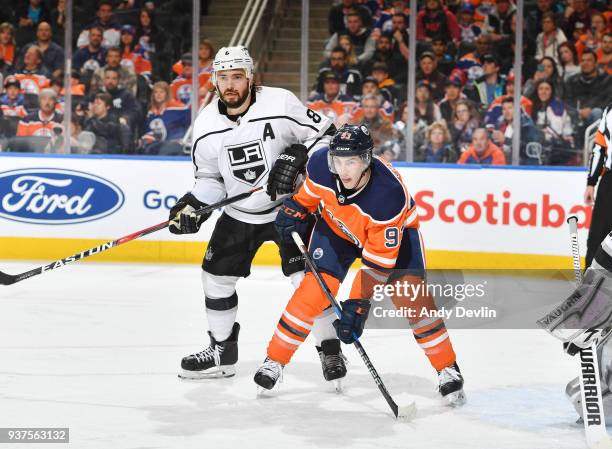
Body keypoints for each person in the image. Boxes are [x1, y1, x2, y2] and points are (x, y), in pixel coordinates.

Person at [253, 124, 466, 406]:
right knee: (311, 293)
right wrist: (296, 208)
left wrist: (357, 305)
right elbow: (308, 198)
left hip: (396, 239)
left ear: (366, 159)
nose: (343, 170)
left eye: (351, 161)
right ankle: (274, 361)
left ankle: (447, 368)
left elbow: (377, 266)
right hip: (338, 232)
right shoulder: (319, 165)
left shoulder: (388, 196)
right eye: (338, 161)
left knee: (412, 301)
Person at [169, 46, 342, 382]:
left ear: (250, 78)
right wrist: (192, 206)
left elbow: (327, 137)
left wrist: (299, 158)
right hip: (239, 213)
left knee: (308, 283)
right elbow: (210, 180)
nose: (230, 84)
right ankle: (222, 352)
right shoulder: (205, 127)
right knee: (215, 279)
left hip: (290, 210)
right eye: (223, 77)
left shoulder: (279, 103)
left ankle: (331, 350)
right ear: (214, 82)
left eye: (237, 76)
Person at [584, 104, 612, 267]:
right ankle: (590, 287)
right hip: (609, 181)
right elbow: (599, 148)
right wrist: (591, 182)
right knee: (598, 236)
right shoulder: (609, 111)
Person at [140, 81, 190, 155]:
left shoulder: (179, 109)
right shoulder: (151, 113)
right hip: (159, 146)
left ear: (167, 94)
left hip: (176, 146)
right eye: (156, 92)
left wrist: (183, 139)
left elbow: (192, 124)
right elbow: (149, 131)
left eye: (161, 92)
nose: (158, 95)